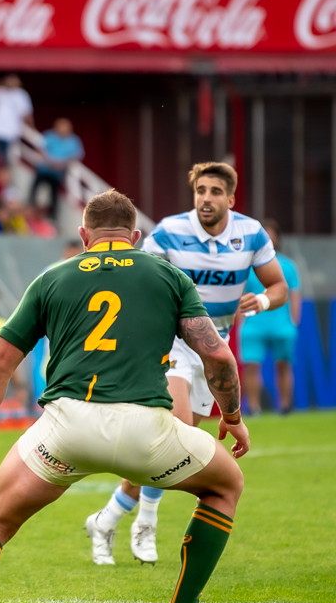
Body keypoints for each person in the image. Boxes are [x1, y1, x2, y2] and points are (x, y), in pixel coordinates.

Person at [0, 190, 249, 603]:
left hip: (65, 431)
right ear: (136, 237)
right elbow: (218, 356)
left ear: (84, 236)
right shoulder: (169, 276)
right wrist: (231, 417)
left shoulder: (53, 278)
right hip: (147, 432)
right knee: (226, 485)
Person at [85, 162, 287, 566]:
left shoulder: (251, 234)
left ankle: (105, 519)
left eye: (215, 191)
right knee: (173, 431)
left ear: (231, 199)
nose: (206, 198)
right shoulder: (170, 231)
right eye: (200, 191)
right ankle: (146, 524)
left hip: (213, 347)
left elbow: (279, 285)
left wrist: (263, 300)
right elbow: (137, 276)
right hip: (173, 342)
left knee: (167, 450)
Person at [239, 220, 301, 415]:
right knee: (251, 367)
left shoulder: (288, 266)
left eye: (271, 235)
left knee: (283, 365)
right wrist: (240, 323)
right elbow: (240, 296)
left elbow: (294, 295)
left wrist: (293, 322)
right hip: (253, 324)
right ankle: (254, 408)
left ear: (277, 239)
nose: (268, 239)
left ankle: (285, 406)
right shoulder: (247, 267)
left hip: (282, 325)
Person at [29, 118, 84, 220]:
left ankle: (52, 216)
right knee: (35, 188)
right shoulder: (50, 135)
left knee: (54, 195)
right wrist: (49, 159)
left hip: (58, 172)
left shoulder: (74, 140)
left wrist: (62, 163)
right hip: (44, 169)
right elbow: (40, 147)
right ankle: (30, 207)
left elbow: (78, 155)